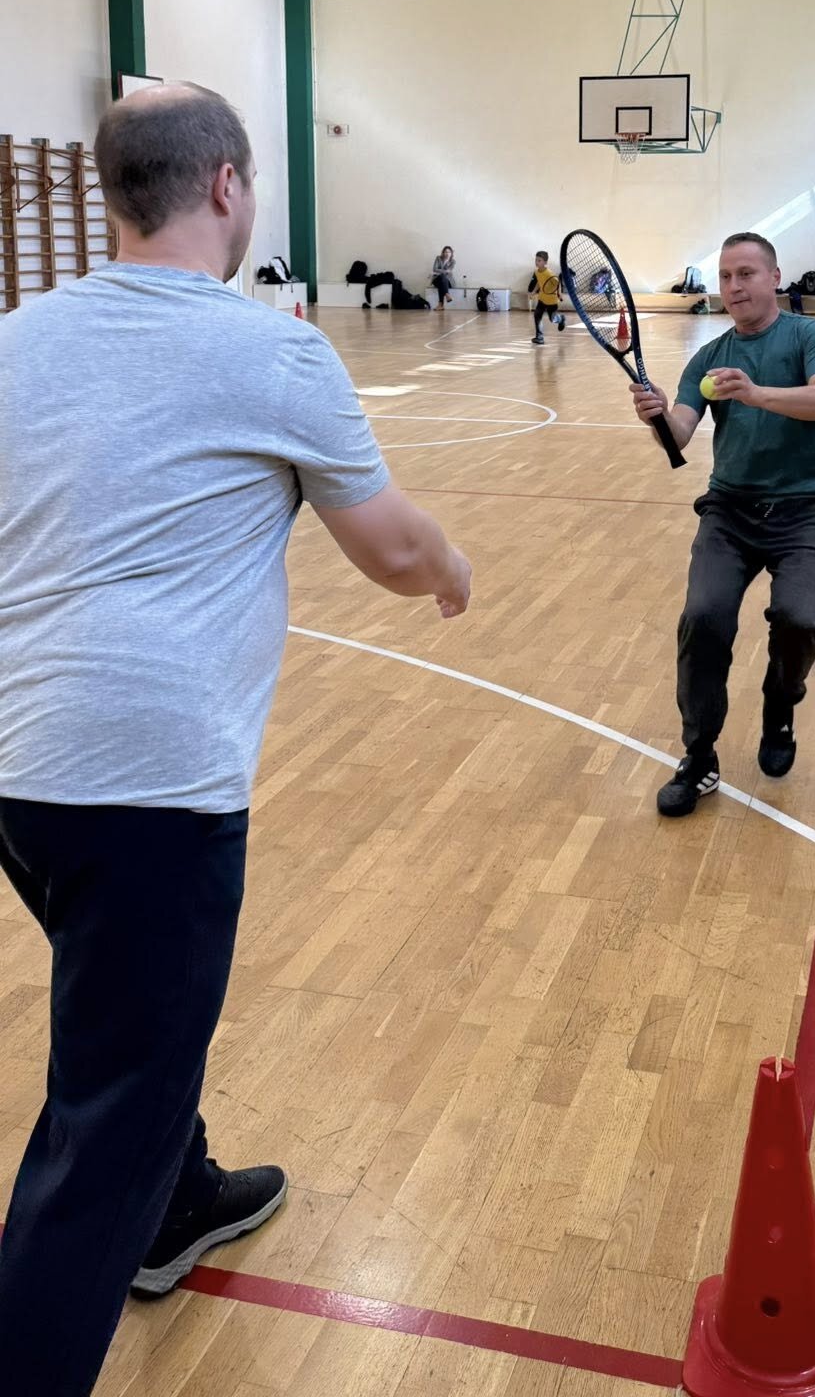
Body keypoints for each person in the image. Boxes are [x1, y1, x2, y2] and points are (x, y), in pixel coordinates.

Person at [0, 84, 472, 1397]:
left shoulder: (16, 338)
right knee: (103, 1127)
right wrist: (450, 565)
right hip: (147, 787)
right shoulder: (271, 351)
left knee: (130, 1016)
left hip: (19, 777)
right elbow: (390, 551)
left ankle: (180, 1201)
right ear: (226, 186)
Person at [630, 232, 815, 818]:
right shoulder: (708, 357)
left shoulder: (809, 336)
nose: (734, 286)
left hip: (806, 508)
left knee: (800, 619)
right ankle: (699, 756)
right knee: (702, 619)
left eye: (746, 273)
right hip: (730, 511)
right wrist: (657, 415)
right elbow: (679, 435)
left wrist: (754, 394)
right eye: (725, 276)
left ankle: (780, 703)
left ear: (774, 277)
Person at [529, 249, 567, 345]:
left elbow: (558, 283)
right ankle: (539, 337)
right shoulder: (537, 272)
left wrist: (559, 294)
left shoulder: (549, 274)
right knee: (537, 316)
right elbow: (539, 282)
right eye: (536, 260)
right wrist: (533, 292)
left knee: (552, 319)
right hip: (542, 299)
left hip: (552, 301)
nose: (536, 262)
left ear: (545, 262)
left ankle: (561, 319)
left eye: (539, 260)